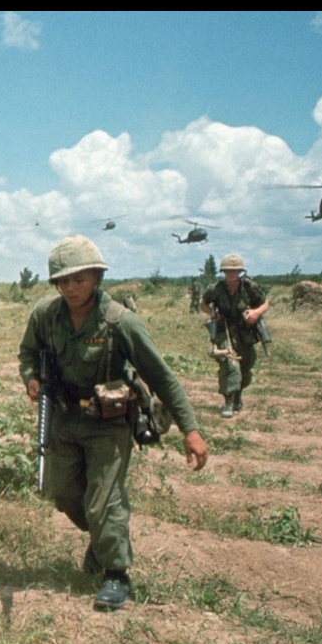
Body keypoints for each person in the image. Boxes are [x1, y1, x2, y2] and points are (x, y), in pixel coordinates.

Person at [19, 236, 209, 611]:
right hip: (63, 418)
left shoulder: (120, 322)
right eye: (63, 281)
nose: (71, 288)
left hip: (108, 423)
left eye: (80, 279)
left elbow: (163, 377)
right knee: (63, 494)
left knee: (104, 502)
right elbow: (28, 353)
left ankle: (116, 573)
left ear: (96, 277)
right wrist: (30, 377)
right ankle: (104, 538)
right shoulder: (45, 314)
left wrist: (191, 430)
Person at [201, 253, 270, 418]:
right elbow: (203, 302)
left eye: (235, 271)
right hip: (224, 331)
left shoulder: (248, 287)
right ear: (223, 272)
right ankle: (228, 403)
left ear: (240, 272)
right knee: (230, 365)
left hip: (245, 332)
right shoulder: (215, 289)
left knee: (246, 366)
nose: (232, 274)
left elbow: (265, 303)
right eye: (228, 271)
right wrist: (212, 313)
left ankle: (238, 396)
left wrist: (255, 312)